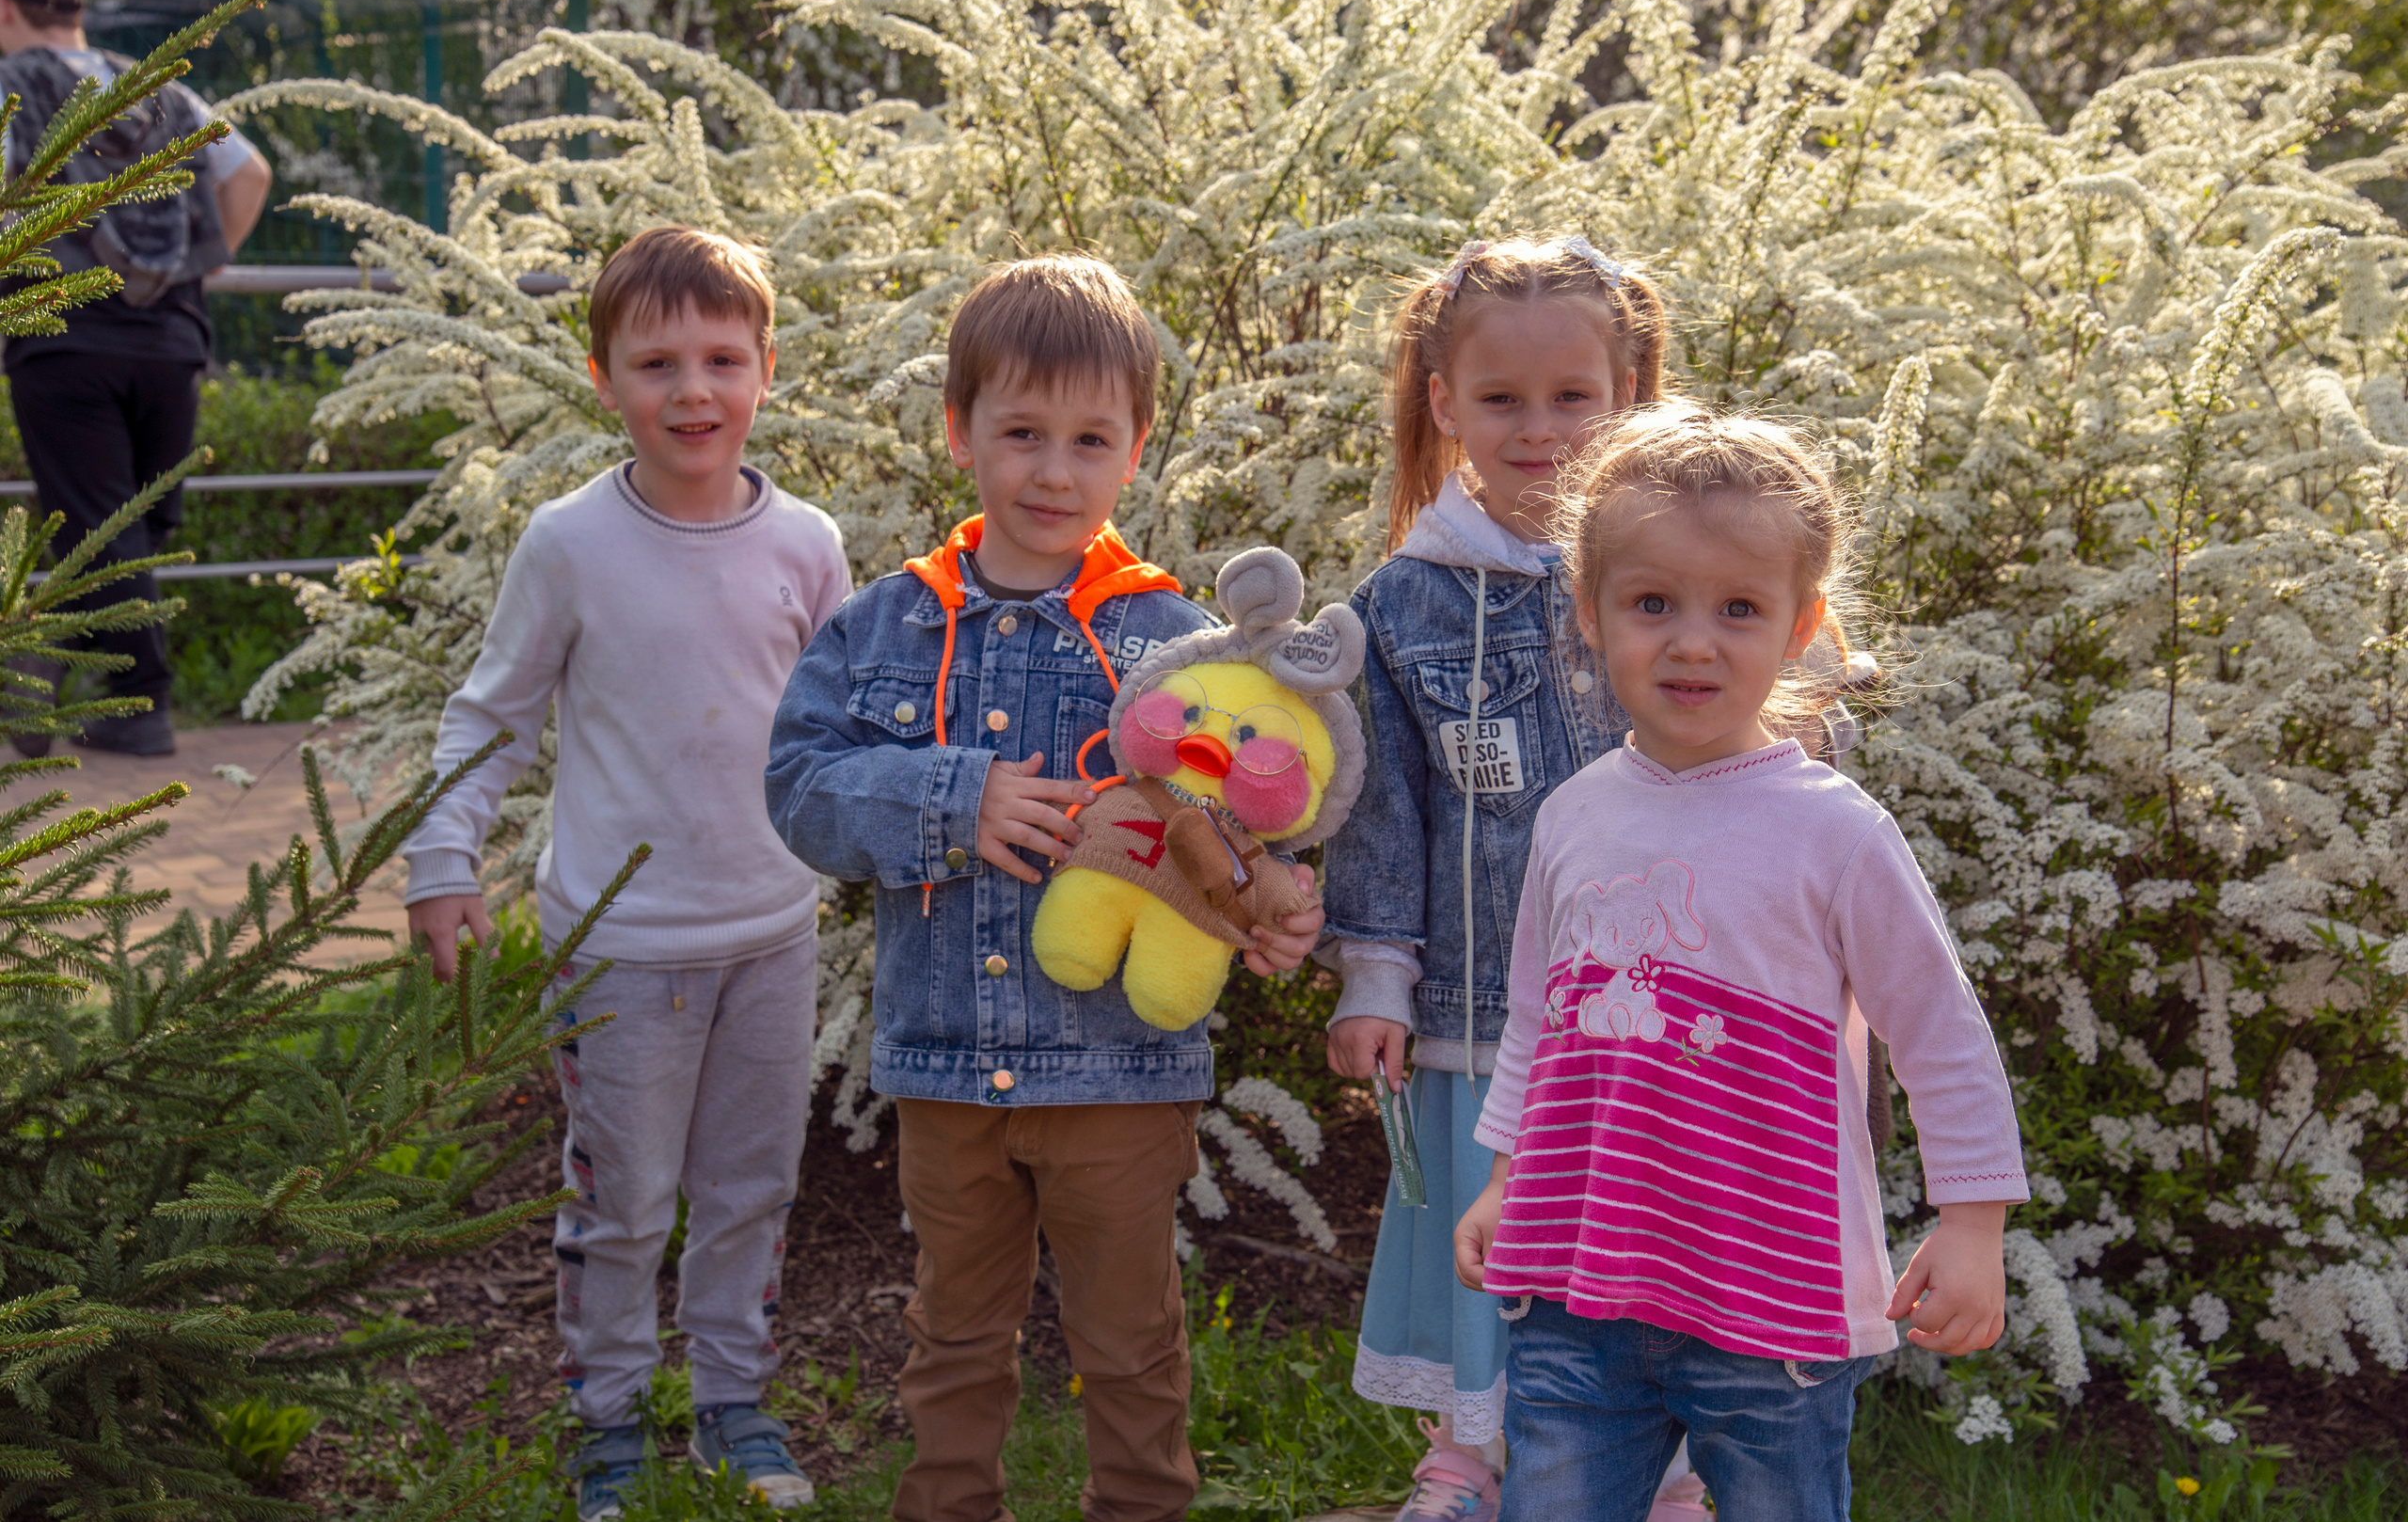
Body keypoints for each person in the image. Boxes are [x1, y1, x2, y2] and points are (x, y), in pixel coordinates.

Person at [764, 253, 1325, 1522]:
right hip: (944, 1064)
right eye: (1021, 433)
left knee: (1130, 1346)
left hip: (1122, 1075)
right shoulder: (885, 626)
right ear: (960, 430)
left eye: (1090, 439)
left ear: (1134, 452)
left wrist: (1267, 904)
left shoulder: (1172, 641)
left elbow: (1244, 807)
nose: (1054, 472)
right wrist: (950, 798)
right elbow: (798, 789)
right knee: (953, 1339)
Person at [1453, 402, 2027, 1521]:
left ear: (1801, 623)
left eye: (1738, 608)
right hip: (1580, 1281)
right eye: (1653, 603)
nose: (1693, 640)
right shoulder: (1572, 816)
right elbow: (1535, 1019)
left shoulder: (1836, 833)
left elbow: (1940, 1033)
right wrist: (1506, 1175)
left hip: (1775, 1304)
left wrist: (1973, 1225)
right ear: (1590, 610)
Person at [401, 226, 849, 1519]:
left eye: (722, 358)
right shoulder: (569, 543)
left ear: (766, 370)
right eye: (657, 363)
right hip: (619, 945)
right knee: (624, 1200)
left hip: (773, 932)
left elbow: (855, 719)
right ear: (603, 378)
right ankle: (606, 1418)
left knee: (753, 1187)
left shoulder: (808, 544)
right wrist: (444, 862)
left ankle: (733, 1407)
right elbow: (489, 715)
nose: (692, 391)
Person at [1320, 236, 1713, 1521]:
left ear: (1631, 395)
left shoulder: (1678, 577)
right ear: (1444, 404)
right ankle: (1466, 1460)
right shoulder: (1405, 603)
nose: (1538, 429)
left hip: (1653, 1007)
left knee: (1647, 1239)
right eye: (1501, 399)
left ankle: (1664, 1472)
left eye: (1572, 397)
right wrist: (1375, 976)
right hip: (1480, 1013)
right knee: (1481, 1239)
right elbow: (1387, 817)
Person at [0, 0, 274, 757]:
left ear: (3, 10)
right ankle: (57, 664)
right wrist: (198, 262)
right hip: (173, 336)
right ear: (77, 6)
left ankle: (134, 701)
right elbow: (251, 174)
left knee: (102, 520)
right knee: (134, 524)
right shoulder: (154, 85)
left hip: (63, 334)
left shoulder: (9, 85)